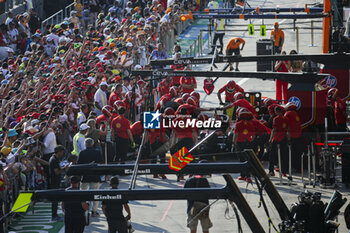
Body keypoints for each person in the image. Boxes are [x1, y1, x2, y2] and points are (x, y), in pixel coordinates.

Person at [77, 138, 103, 217]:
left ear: (85, 144)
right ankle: (94, 210)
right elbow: (101, 163)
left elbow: (79, 164)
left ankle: (83, 209)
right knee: (95, 194)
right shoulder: (97, 152)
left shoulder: (82, 153)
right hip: (95, 176)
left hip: (85, 176)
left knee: (83, 194)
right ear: (92, 144)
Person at [233, 109, 255, 182]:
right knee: (248, 159)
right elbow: (253, 135)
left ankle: (242, 175)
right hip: (248, 143)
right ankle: (248, 176)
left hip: (240, 144)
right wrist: (250, 140)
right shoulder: (250, 124)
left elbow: (236, 135)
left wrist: (234, 144)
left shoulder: (238, 124)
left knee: (241, 160)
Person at [49, 145, 69, 221]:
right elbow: (56, 172)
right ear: (59, 152)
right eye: (62, 152)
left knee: (56, 199)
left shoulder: (56, 159)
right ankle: (54, 216)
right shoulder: (53, 160)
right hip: (54, 182)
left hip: (56, 181)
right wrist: (64, 168)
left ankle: (55, 214)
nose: (63, 153)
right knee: (55, 199)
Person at [269, 106, 290, 176]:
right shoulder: (286, 119)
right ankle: (284, 171)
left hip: (276, 138)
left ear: (276, 112)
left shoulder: (276, 119)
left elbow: (274, 129)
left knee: (272, 155)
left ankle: (271, 171)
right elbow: (288, 130)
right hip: (284, 138)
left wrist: (270, 139)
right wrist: (289, 139)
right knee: (283, 155)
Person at [284, 102, 302, 171]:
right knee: (297, 153)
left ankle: (288, 168)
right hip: (298, 136)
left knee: (288, 153)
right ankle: (298, 167)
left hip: (291, 136)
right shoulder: (296, 114)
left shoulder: (287, 114)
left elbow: (285, 124)